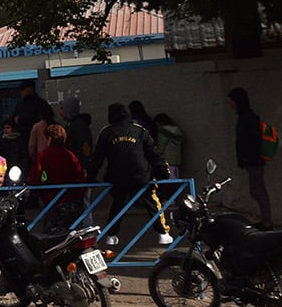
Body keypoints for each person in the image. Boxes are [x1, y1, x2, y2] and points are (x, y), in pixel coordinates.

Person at [87, 103, 167, 246]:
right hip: (141, 174)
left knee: (118, 204)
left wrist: (91, 176)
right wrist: (162, 172)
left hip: (117, 176)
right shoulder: (139, 130)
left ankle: (111, 235)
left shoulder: (107, 132)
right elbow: (153, 153)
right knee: (151, 201)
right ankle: (163, 234)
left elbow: (97, 157)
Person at [227, 87, 272, 229]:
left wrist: (247, 157)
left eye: (232, 100)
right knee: (256, 190)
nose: (230, 103)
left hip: (253, 161)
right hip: (251, 160)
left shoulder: (247, 116)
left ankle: (267, 222)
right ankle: (265, 220)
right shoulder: (245, 115)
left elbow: (251, 139)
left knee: (258, 190)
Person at [32, 123, 87, 232]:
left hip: (52, 200)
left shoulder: (43, 155)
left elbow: (36, 176)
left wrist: (36, 191)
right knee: (73, 232)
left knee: (53, 235)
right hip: (73, 200)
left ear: (49, 138)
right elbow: (80, 176)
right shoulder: (70, 155)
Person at [153, 113, 185, 179]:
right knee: (176, 181)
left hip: (167, 161)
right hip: (176, 161)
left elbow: (160, 149)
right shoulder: (177, 130)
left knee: (168, 182)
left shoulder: (162, 132)